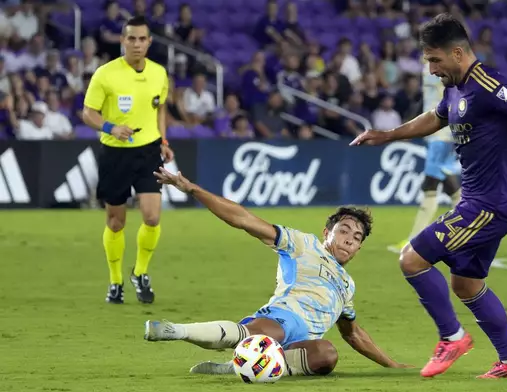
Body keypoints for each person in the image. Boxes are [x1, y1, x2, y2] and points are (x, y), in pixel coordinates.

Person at [350, 13, 507, 379]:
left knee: (411, 259)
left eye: (435, 60)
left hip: (489, 205)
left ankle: (451, 337)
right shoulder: (454, 88)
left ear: (456, 53)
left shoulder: (486, 83)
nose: (432, 69)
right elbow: (434, 119)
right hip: (479, 202)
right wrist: (387, 134)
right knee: (466, 284)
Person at [144, 167, 410, 376]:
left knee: (327, 355)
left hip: (302, 344)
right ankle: (176, 330)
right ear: (327, 233)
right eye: (344, 230)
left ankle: (243, 364)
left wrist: (391, 364)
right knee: (270, 335)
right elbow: (244, 219)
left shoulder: (347, 286)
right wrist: (191, 189)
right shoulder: (302, 244)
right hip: (281, 319)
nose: (350, 239)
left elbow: (352, 333)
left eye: (357, 237)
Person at [82, 16, 174, 305]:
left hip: (148, 151)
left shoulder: (159, 73)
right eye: (130, 38)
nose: (136, 44)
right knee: (116, 222)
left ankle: (140, 272)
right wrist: (111, 128)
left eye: (141, 39)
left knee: (152, 216)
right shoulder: (105, 74)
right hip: (115, 153)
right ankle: (115, 281)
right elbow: (88, 113)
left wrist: (163, 140)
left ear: (149, 42)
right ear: (122, 41)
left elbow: (160, 109)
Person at [387, 72, 461, 254]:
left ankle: (414, 240)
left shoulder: (448, 76)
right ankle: (471, 232)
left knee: (430, 186)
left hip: (442, 137)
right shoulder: (434, 75)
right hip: (438, 136)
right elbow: (426, 103)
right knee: (448, 187)